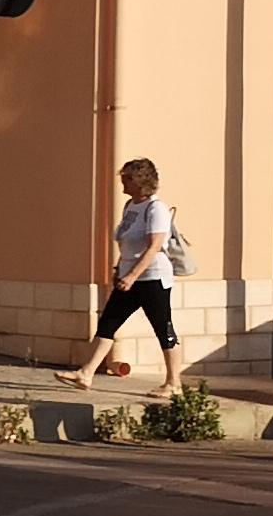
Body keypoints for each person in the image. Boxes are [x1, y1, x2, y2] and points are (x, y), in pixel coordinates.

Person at [58, 156, 185, 397]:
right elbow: (126, 244)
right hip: (128, 277)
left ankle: (173, 383)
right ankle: (86, 373)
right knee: (108, 323)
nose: (123, 183)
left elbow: (154, 246)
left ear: (141, 180)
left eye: (127, 178)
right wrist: (119, 270)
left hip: (152, 278)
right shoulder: (130, 207)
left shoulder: (155, 208)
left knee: (163, 327)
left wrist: (133, 275)